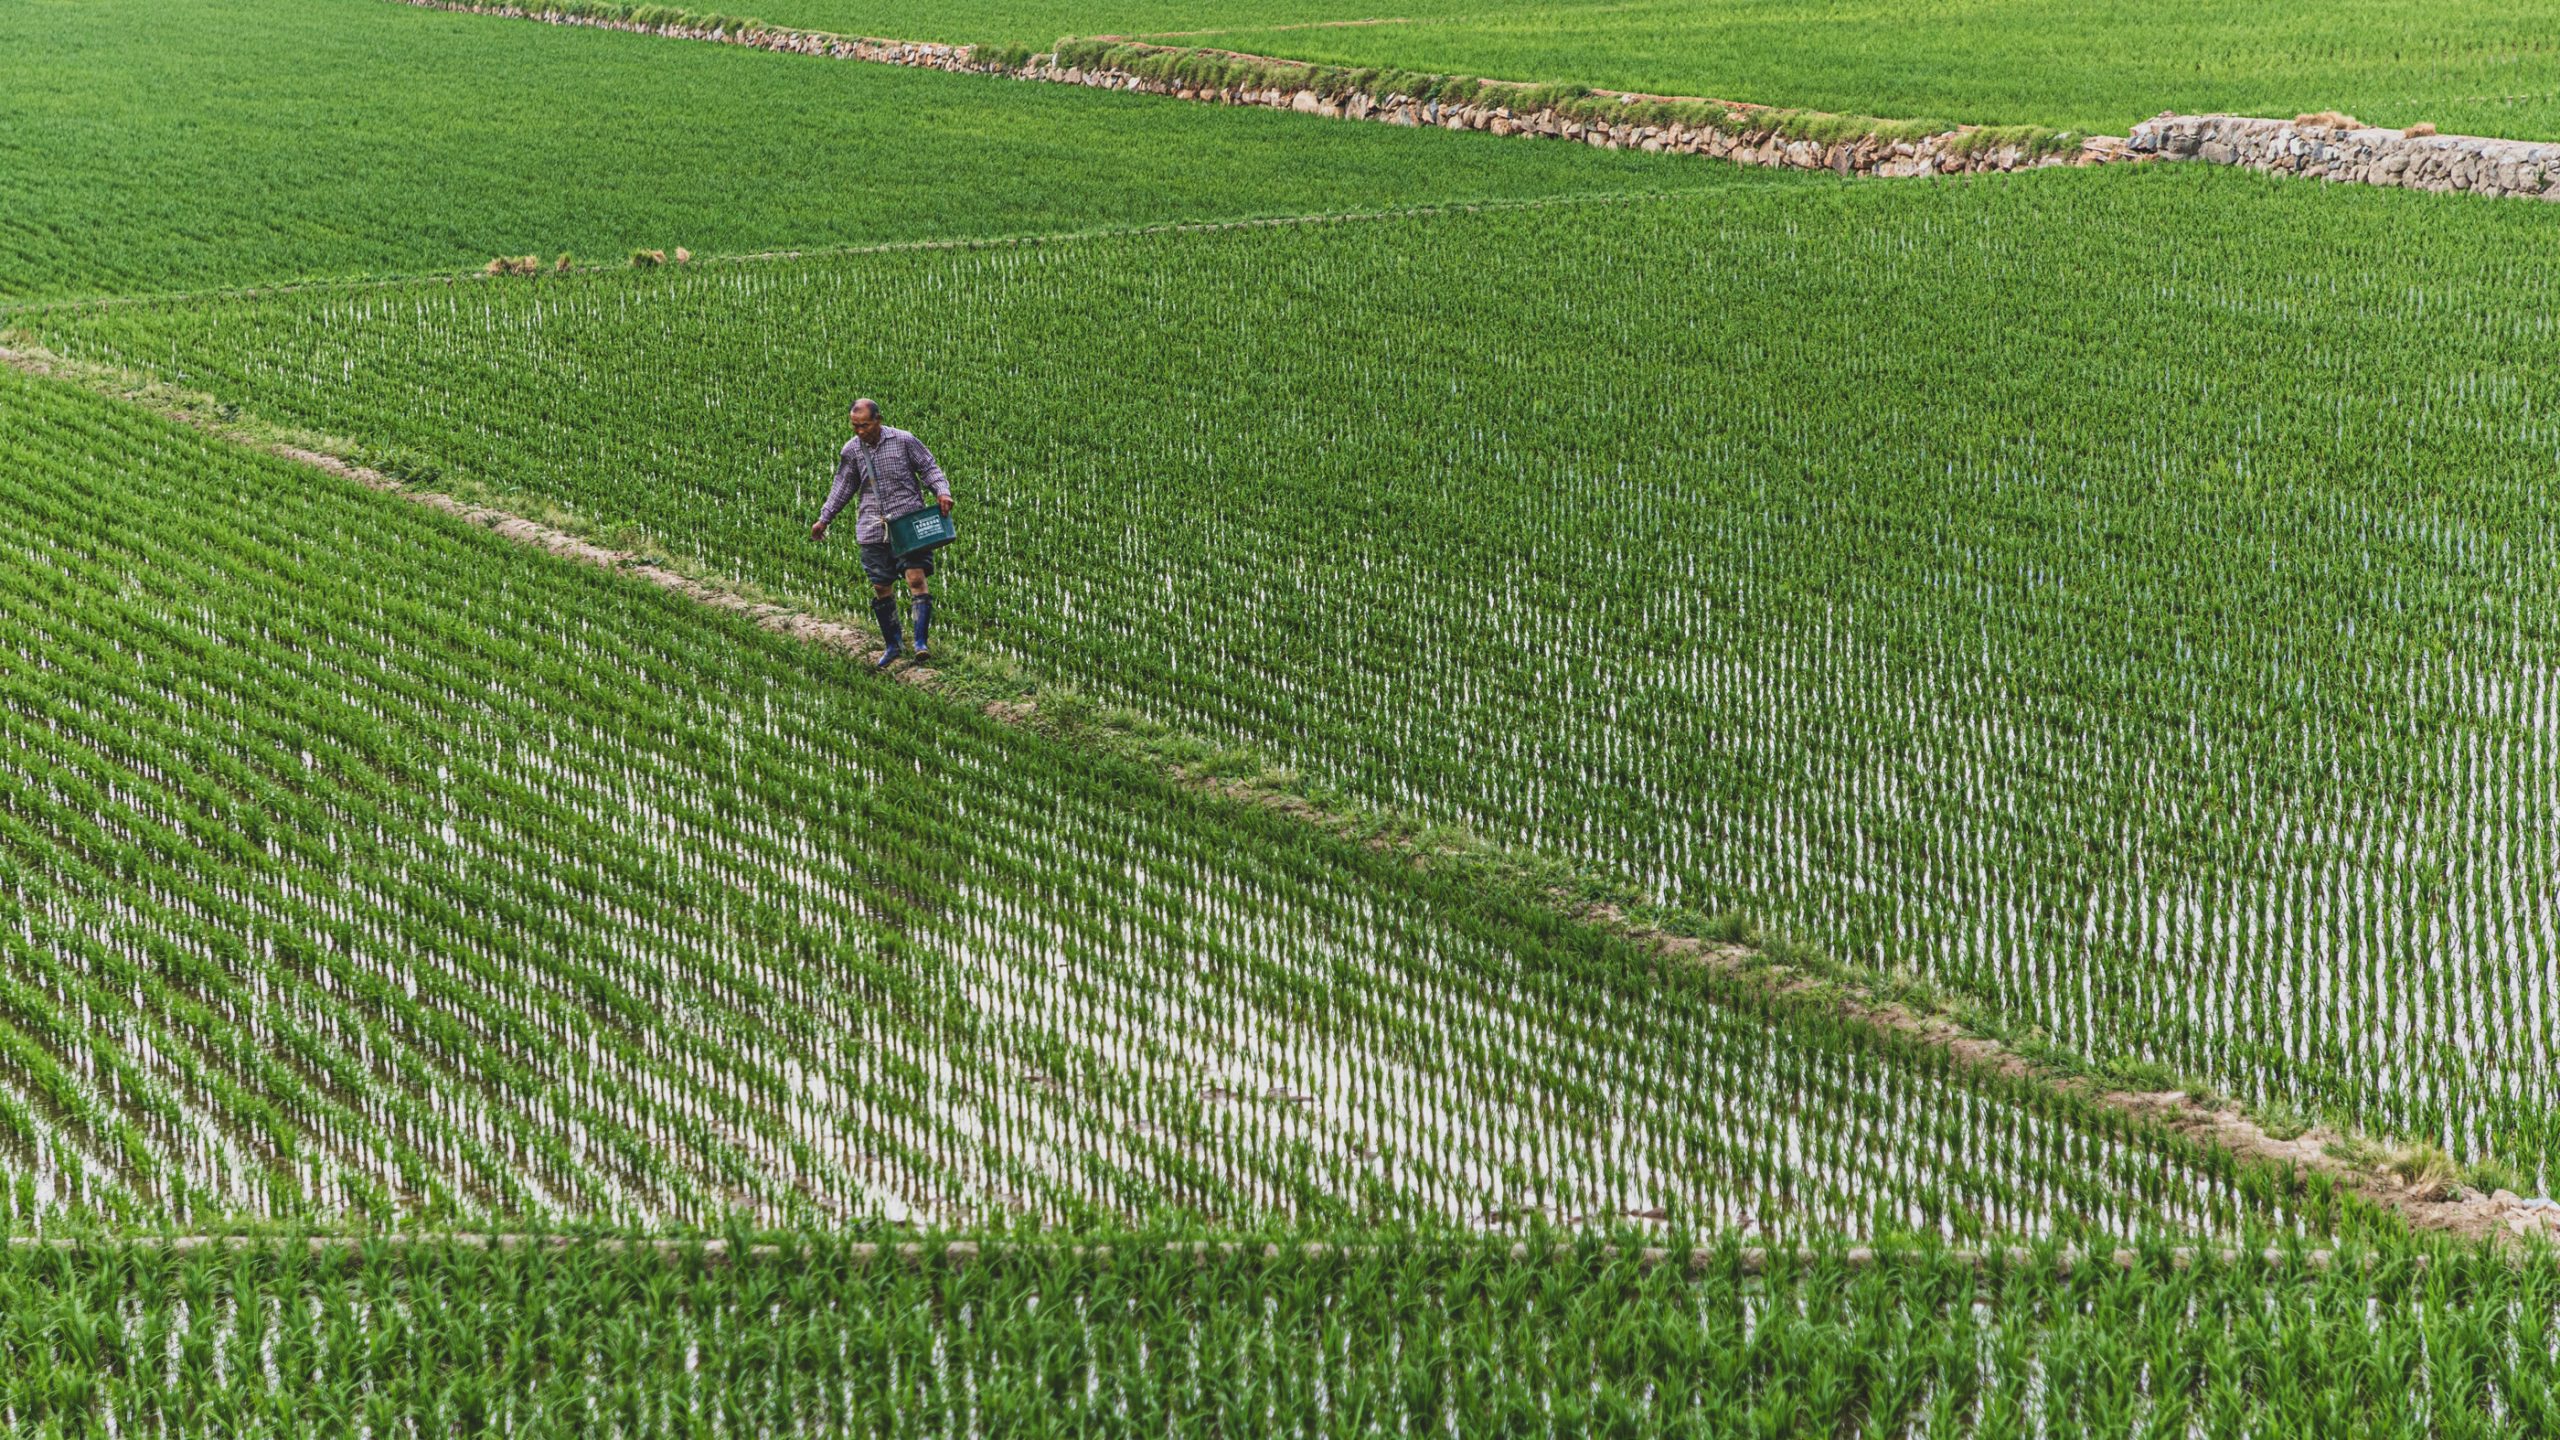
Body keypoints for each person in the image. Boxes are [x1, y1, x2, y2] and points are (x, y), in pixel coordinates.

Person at [810, 397, 954, 669]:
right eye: (855, 426)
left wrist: (942, 492)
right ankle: (893, 645)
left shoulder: (904, 440)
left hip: (907, 524)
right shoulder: (852, 451)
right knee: (880, 585)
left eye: (864, 425)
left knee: (916, 578)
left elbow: (929, 467)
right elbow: (842, 486)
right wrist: (824, 519)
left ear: (878, 420)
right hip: (872, 527)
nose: (859, 431)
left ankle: (920, 643)